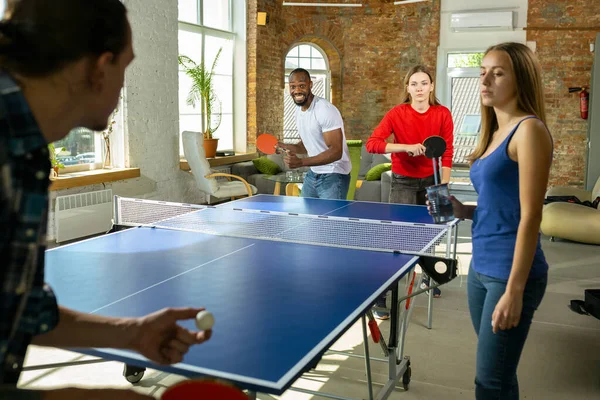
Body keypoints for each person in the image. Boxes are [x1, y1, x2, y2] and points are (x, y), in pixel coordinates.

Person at [0, 1, 211, 398]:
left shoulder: (25, 150)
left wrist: (130, 332)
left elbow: (17, 309)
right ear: (100, 67)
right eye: (125, 68)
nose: (123, 85)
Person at [432, 42, 552, 399]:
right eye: (483, 71)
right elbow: (500, 205)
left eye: (498, 73)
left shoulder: (528, 130)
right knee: (499, 374)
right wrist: (463, 211)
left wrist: (515, 290)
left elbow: (531, 215)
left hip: (511, 272)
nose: (485, 80)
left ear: (522, 80)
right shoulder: (494, 134)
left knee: (489, 382)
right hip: (481, 268)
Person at [366, 65, 454, 317]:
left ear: (432, 86)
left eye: (424, 83)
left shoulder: (443, 114)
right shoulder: (396, 113)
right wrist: (405, 147)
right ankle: (382, 294)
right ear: (407, 88)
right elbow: (373, 144)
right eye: (414, 84)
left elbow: (447, 152)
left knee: (433, 233)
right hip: (403, 181)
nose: (419, 88)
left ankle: (428, 276)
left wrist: (443, 187)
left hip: (434, 181)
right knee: (397, 239)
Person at [278, 68, 352, 200]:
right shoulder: (298, 110)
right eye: (293, 87)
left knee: (331, 220)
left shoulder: (324, 109)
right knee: (306, 219)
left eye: (302, 86)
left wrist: (301, 162)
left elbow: (336, 151)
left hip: (334, 174)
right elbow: (305, 145)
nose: (297, 90)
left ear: (310, 85)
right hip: (313, 173)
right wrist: (286, 146)